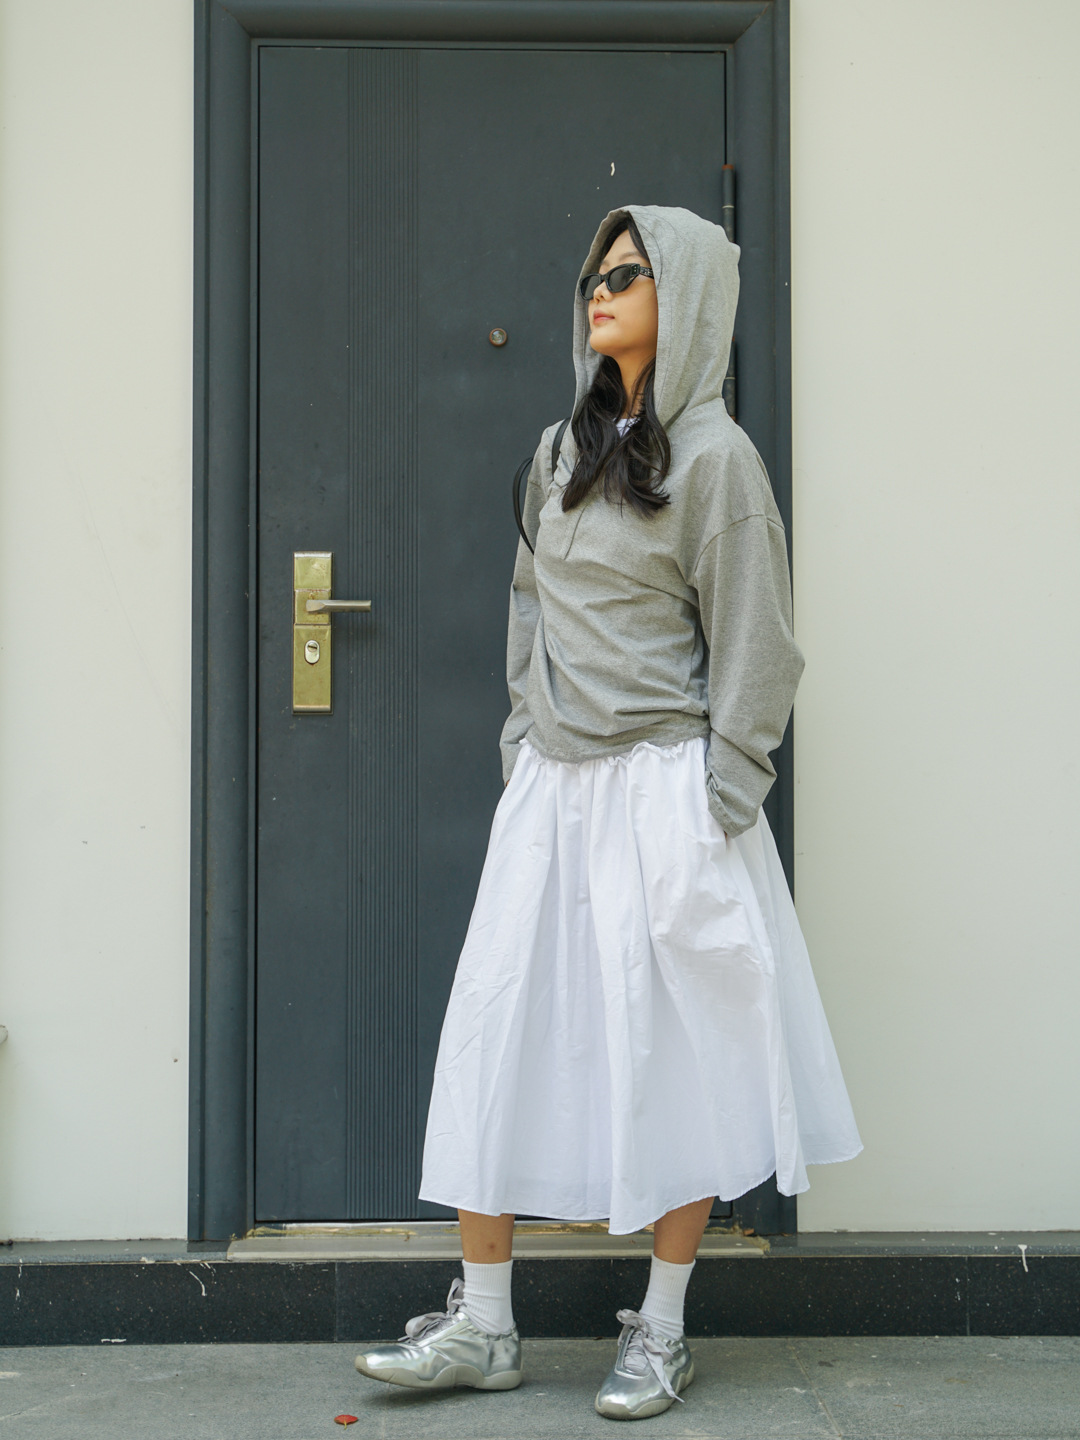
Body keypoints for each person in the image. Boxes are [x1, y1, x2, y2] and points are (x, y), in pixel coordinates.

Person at [354, 205, 862, 1420]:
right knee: (498, 1031)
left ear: (684, 296)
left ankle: (662, 1329)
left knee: (679, 1053)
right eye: (595, 271)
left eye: (628, 273)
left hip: (666, 794)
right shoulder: (559, 451)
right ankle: (484, 1326)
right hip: (555, 792)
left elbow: (761, 648)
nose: (600, 287)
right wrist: (523, 738)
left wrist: (719, 796)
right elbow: (530, 601)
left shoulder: (720, 462)